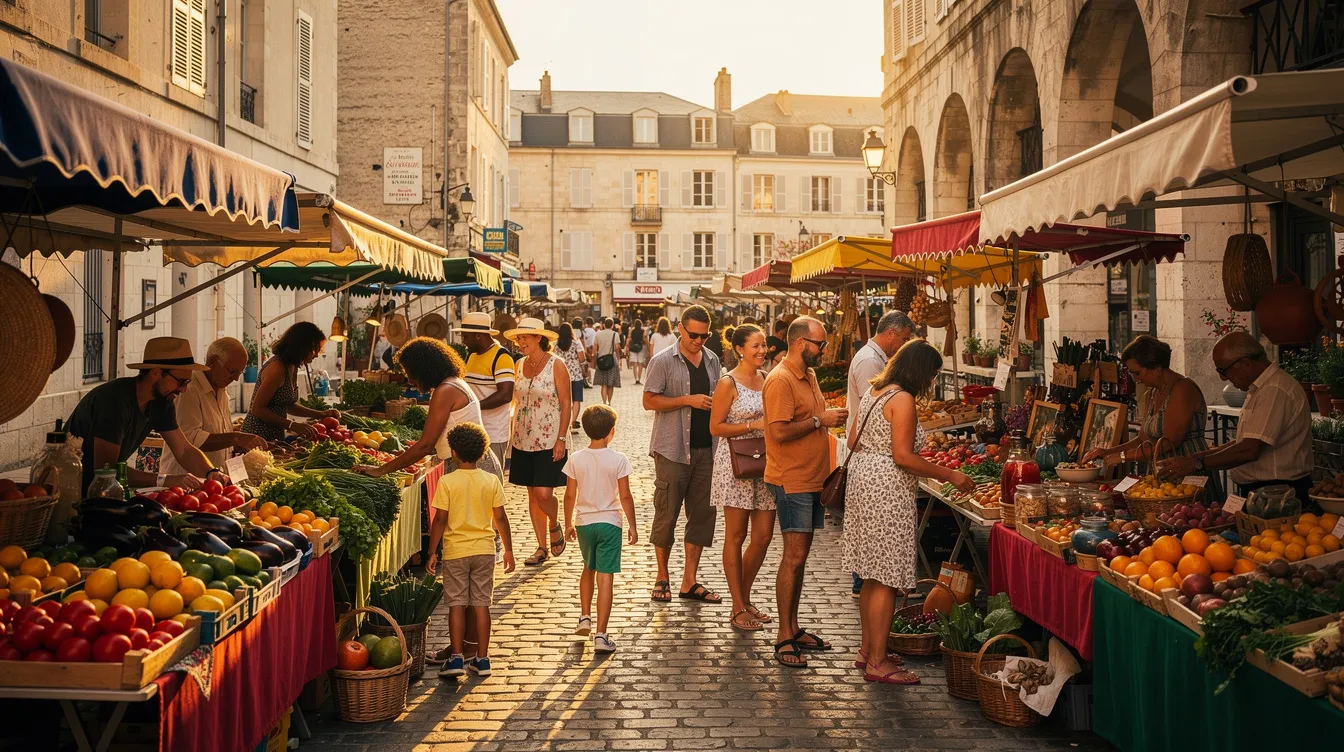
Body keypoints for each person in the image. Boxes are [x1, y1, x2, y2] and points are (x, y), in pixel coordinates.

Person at [844, 340, 976, 683]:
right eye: (932, 374)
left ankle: (866, 650)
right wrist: (951, 473)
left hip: (864, 482)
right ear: (921, 371)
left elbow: (852, 439)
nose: (931, 382)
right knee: (886, 578)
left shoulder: (876, 391)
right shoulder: (902, 399)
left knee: (872, 574)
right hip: (887, 488)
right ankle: (878, 661)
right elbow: (903, 457)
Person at [763, 316, 849, 668]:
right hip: (791, 479)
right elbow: (779, 432)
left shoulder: (809, 375)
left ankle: (794, 627)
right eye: (819, 344)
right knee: (793, 557)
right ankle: (784, 634)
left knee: (801, 558)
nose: (823, 350)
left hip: (812, 477)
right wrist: (820, 421)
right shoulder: (780, 380)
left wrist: (824, 417)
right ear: (800, 343)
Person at [1158, 332, 1313, 500]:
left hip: (1277, 492)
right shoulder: (1261, 388)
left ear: (1245, 363)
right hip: (1265, 490)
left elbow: (1249, 449)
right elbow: (1246, 440)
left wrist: (1196, 463)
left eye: (1223, 370)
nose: (1222, 378)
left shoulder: (1273, 390)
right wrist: (1197, 456)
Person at [66, 337, 230, 494]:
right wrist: (164, 480)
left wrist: (211, 472)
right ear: (155, 373)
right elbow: (107, 469)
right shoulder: (114, 401)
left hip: (104, 490)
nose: (184, 389)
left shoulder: (161, 402)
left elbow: (184, 450)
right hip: (72, 489)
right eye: (181, 381)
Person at [643, 304, 722, 603]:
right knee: (666, 515)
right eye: (693, 335)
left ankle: (689, 581)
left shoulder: (713, 360)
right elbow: (649, 400)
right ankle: (662, 576)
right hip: (672, 450)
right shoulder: (663, 361)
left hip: (707, 451)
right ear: (680, 328)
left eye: (705, 336)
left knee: (701, 518)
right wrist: (687, 400)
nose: (699, 341)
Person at [426, 422, 514, 679]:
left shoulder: (447, 481)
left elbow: (440, 520)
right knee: (481, 605)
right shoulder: (491, 480)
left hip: (455, 552)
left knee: (456, 605)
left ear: (453, 452)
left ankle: (455, 658)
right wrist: (508, 549)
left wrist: (433, 551)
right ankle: (482, 659)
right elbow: (501, 518)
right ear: (484, 451)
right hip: (485, 551)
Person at [1083, 335, 1222, 495]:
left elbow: (1169, 443)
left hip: (1189, 471)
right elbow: (1143, 440)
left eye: (1138, 373)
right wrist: (1108, 452)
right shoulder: (1152, 393)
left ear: (1157, 367)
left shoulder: (1182, 388)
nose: (1136, 379)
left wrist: (1121, 457)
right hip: (1164, 475)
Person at [842, 310, 916, 597]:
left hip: (869, 462)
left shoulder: (874, 358)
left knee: (873, 554)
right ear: (891, 333)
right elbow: (872, 415)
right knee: (876, 564)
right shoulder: (871, 362)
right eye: (904, 339)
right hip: (875, 466)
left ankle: (868, 586)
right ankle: (866, 586)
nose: (903, 345)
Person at [708, 324, 775, 631]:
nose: (762, 351)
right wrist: (754, 426)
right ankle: (737, 607)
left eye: (764, 346)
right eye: (756, 346)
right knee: (735, 537)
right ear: (739, 349)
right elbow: (716, 428)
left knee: (763, 537)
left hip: (766, 465)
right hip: (735, 465)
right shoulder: (727, 382)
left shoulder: (768, 378)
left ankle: (745, 598)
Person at [358, 337, 501, 479]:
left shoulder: (445, 391)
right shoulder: (454, 382)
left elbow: (425, 445)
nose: (409, 379)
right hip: (475, 465)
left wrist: (381, 470)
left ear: (423, 369)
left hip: (471, 470)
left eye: (409, 371)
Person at [562, 405, 638, 654]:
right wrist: (633, 526)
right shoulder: (618, 459)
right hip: (610, 523)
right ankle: (601, 635)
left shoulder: (575, 459)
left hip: (585, 523)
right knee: (606, 577)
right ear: (611, 432)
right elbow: (625, 496)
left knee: (588, 567)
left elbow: (569, 495)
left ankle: (584, 616)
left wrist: (568, 523)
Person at [505, 318, 572, 566]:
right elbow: (515, 400)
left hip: (550, 438)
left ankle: (554, 525)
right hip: (523, 439)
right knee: (532, 495)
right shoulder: (519, 365)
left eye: (524, 338)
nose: (520, 342)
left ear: (538, 339)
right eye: (518, 338)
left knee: (544, 493)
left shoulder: (557, 365)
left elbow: (566, 404)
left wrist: (562, 439)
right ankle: (541, 547)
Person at [159, 337, 267, 477]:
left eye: (239, 373)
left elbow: (219, 432)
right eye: (232, 371)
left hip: (213, 476)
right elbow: (190, 440)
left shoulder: (221, 389)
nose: (235, 379)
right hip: (185, 478)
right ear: (213, 361)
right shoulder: (189, 389)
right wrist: (236, 438)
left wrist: (241, 442)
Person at [241, 322, 339, 442]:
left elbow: (288, 405)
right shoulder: (277, 368)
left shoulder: (292, 366)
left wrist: (321, 414)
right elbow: (257, 409)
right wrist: (293, 425)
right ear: (302, 347)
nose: (316, 356)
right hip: (257, 435)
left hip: (275, 436)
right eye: (314, 350)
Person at [454, 312, 516, 473]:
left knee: (491, 482)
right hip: (472, 432)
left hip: (493, 433)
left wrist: (473, 407)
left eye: (466, 337)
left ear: (479, 335)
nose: (464, 341)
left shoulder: (501, 357)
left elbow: (505, 395)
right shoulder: (472, 355)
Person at [557, 323, 588, 434]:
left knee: (563, 399)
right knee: (576, 399)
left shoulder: (556, 344)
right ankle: (572, 423)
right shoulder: (576, 343)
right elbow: (582, 358)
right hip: (575, 374)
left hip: (561, 373)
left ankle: (563, 423)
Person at [592, 316, 623, 405]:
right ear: (612, 325)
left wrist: (594, 359)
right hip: (611, 360)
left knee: (603, 383)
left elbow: (594, 349)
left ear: (603, 325)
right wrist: (618, 359)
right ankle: (609, 402)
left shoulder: (598, 334)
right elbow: (617, 348)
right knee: (610, 383)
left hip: (601, 359)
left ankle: (604, 402)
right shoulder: (615, 334)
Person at [627, 319, 648, 385]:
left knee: (635, 364)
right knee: (640, 363)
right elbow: (645, 338)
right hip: (641, 347)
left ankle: (636, 379)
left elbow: (629, 338)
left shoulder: (632, 330)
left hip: (633, 348)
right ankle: (639, 378)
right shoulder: (643, 331)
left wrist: (627, 346)